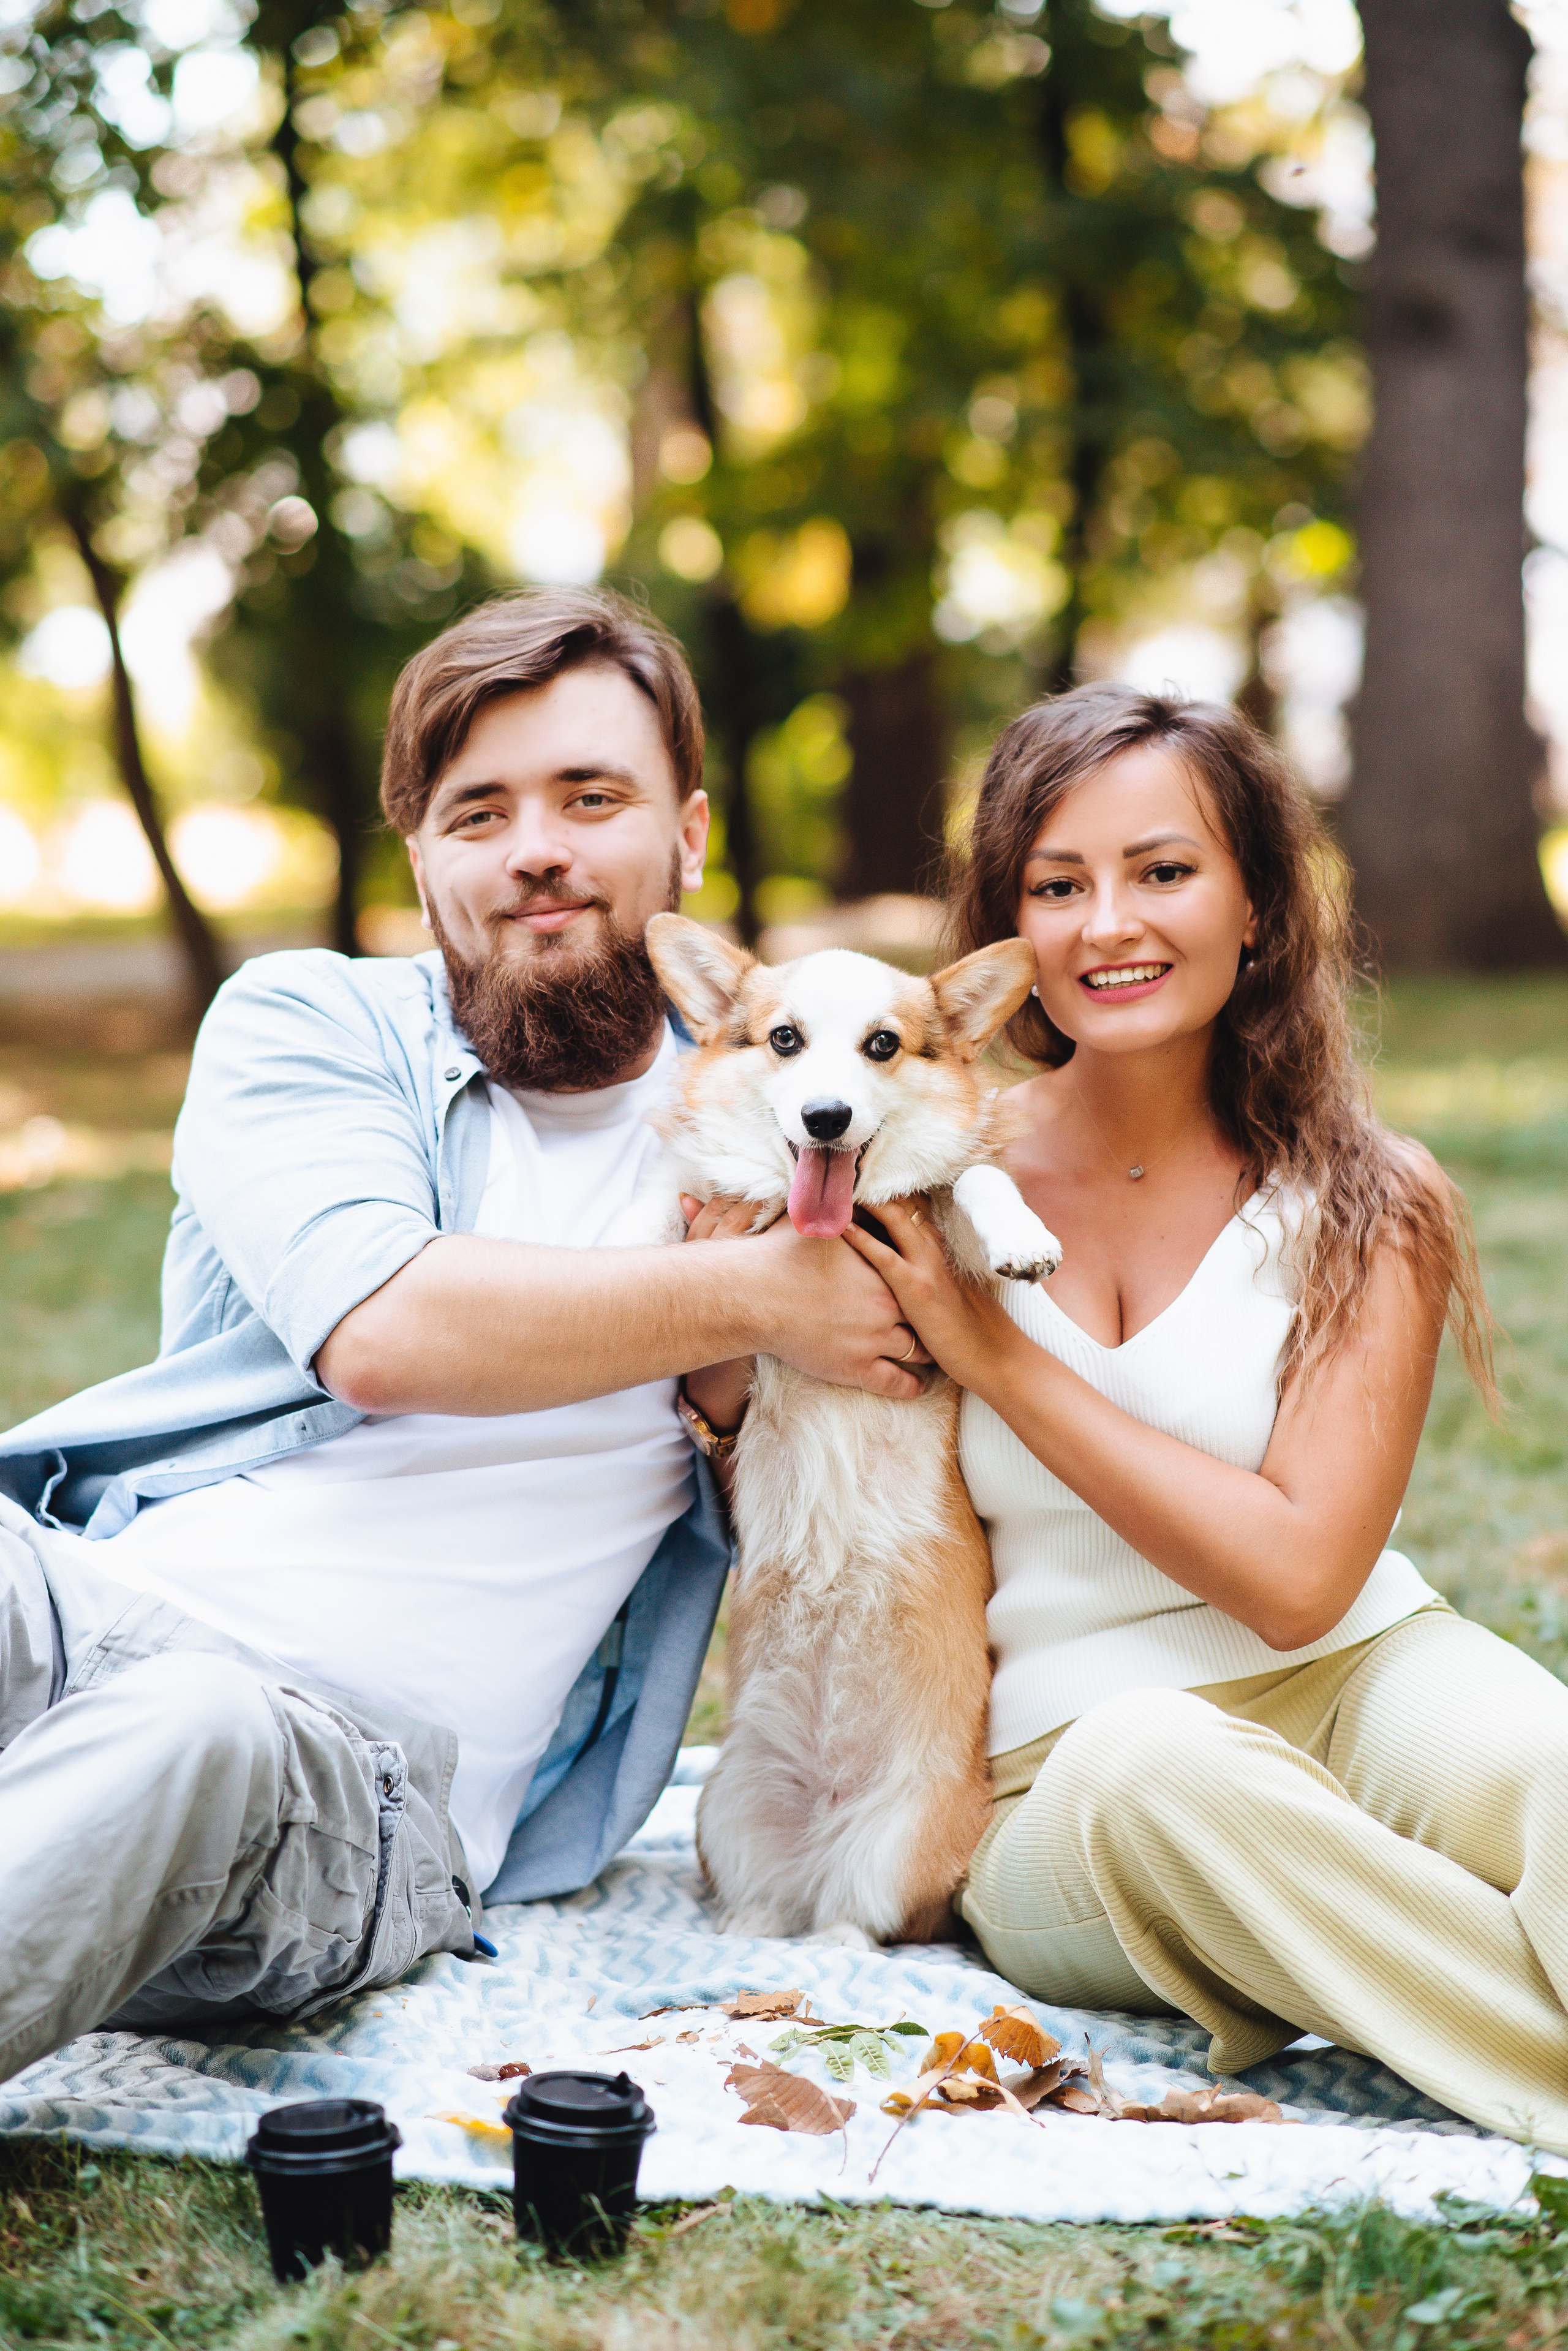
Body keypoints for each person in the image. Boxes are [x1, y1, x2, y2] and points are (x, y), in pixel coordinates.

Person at [0, 586, 926, 2088]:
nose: (535, 847)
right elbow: (381, 1326)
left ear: (688, 834)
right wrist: (758, 1295)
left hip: (349, 1790)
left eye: (590, 797)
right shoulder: (307, 1023)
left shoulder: (803, 1115)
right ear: (423, 858)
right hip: (95, 1612)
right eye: (478, 812)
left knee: (195, 1727)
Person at [844, 681, 1568, 2154]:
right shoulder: (917, 1181)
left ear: (1254, 905)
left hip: (1353, 1672)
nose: (1107, 924)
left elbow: (1298, 1580)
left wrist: (999, 1360)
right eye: (1057, 885)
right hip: (1069, 1771)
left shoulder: (1367, 1196)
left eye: (1161, 870)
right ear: (1007, 928)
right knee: (1158, 1764)